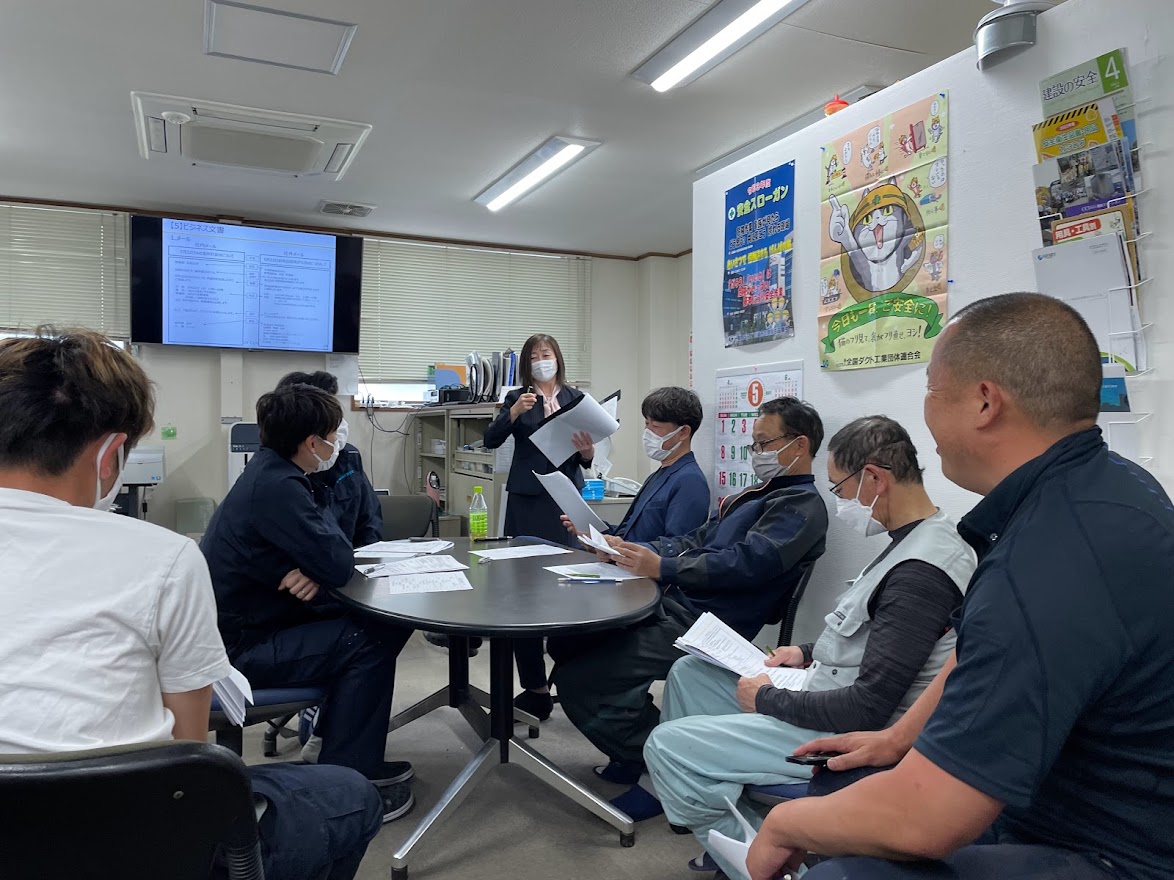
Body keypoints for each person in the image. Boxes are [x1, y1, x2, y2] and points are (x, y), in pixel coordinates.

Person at [747, 293, 1174, 880]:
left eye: (931, 387)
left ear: (984, 402)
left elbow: (927, 820)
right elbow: (980, 652)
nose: (925, 412)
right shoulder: (1110, 486)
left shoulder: (1046, 560)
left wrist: (783, 825)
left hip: (1111, 847)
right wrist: (899, 738)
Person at [0, 329, 383, 880]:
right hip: (130, 838)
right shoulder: (162, 558)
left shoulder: (273, 478)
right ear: (109, 456)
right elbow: (187, 767)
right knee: (347, 795)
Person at [642, 416, 975, 875]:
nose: (840, 501)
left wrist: (766, 699)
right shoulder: (913, 539)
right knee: (690, 674)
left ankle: (765, 859)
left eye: (840, 488)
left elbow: (867, 709)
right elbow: (878, 632)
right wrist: (805, 651)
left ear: (874, 479)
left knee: (666, 746)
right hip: (824, 685)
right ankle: (716, 804)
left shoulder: (921, 573)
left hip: (848, 726)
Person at [550, 397, 829, 788]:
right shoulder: (754, 495)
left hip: (709, 626)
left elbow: (744, 564)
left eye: (765, 443)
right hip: (678, 605)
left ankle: (665, 760)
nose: (757, 453)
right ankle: (639, 745)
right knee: (569, 642)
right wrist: (630, 550)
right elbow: (694, 539)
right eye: (754, 444)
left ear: (800, 445)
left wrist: (662, 567)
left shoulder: (801, 507)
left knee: (582, 680)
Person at [200, 383, 415, 821]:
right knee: (371, 635)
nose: (338, 443)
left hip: (255, 623)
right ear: (312, 443)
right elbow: (338, 560)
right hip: (241, 650)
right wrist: (319, 563)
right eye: (333, 435)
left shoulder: (270, 471)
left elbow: (331, 554)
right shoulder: (280, 486)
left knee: (370, 621)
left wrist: (312, 565)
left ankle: (334, 747)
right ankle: (350, 780)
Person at [483, 333, 596, 720]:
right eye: (534, 356)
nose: (541, 361)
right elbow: (490, 440)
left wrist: (588, 453)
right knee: (524, 594)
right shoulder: (518, 397)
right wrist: (513, 413)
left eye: (546, 354)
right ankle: (535, 688)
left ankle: (572, 681)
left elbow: (585, 457)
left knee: (569, 588)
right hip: (528, 499)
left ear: (558, 358)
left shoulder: (577, 399)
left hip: (566, 498)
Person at [560, 386, 710, 545]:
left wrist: (617, 545)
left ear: (683, 432)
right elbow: (630, 533)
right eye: (647, 424)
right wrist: (593, 530)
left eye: (655, 426)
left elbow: (677, 547)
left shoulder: (689, 481)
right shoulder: (658, 475)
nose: (647, 433)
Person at [276, 370, 383, 548]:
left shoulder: (349, 458)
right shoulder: (282, 472)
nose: (338, 424)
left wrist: (367, 557)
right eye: (330, 416)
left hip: (350, 558)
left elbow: (369, 521)